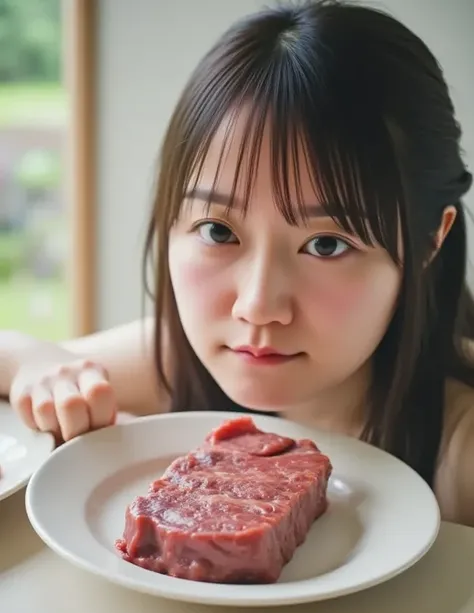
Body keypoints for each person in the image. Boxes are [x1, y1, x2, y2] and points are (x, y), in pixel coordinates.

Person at [1, 0, 474, 525]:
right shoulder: (171, 363)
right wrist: (36, 364)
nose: (258, 307)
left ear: (432, 239)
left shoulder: (459, 451)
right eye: (218, 231)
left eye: (326, 245)